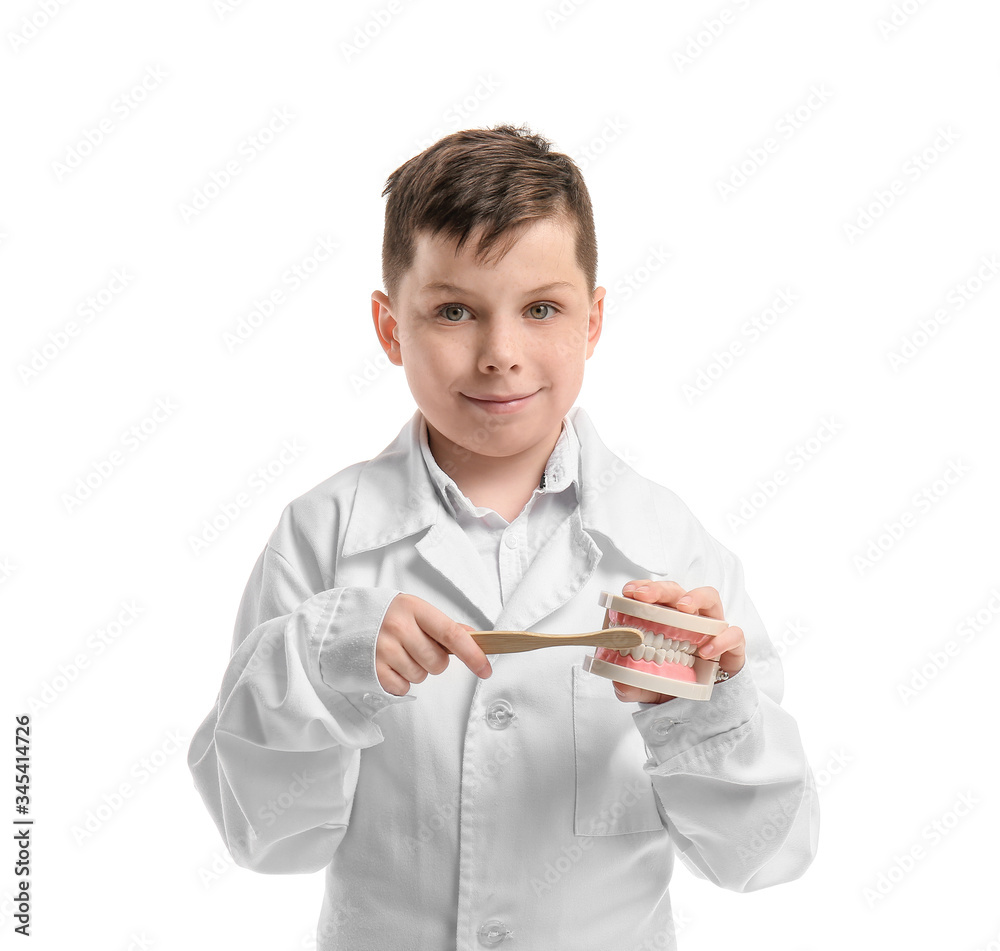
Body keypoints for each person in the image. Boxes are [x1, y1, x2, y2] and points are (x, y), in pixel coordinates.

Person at [187, 123, 819, 950]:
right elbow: (266, 838)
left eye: (542, 308)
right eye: (453, 310)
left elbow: (762, 853)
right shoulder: (323, 535)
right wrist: (319, 669)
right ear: (389, 328)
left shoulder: (670, 546)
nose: (500, 354)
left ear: (592, 321)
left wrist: (701, 716)